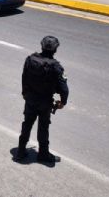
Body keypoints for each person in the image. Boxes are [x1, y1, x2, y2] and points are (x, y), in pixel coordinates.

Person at [15, 36, 69, 164]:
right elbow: (64, 88)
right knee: (43, 128)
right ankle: (43, 155)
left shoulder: (30, 60)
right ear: (55, 50)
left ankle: (20, 152)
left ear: (41, 46)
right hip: (45, 102)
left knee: (27, 124)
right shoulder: (56, 67)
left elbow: (24, 78)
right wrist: (63, 102)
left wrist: (25, 93)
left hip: (30, 99)